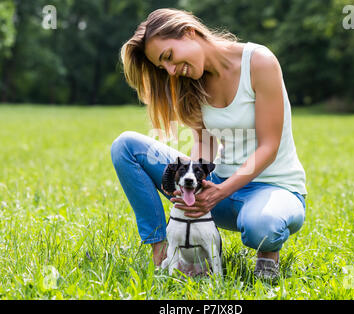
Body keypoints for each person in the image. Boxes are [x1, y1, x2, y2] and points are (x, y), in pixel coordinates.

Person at [111, 8, 307, 280]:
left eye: (168, 57)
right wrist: (193, 187)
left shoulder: (258, 62)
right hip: (219, 189)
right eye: (162, 67)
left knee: (262, 225)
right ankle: (164, 252)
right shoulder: (192, 81)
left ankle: (267, 255)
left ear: (189, 32)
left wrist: (221, 191)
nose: (170, 70)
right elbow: (203, 147)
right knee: (126, 146)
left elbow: (269, 146)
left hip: (274, 188)